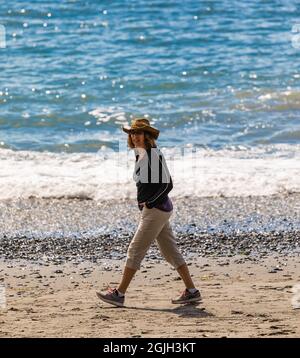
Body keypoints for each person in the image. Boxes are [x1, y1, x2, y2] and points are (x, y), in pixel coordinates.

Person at [96, 118, 201, 307]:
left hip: (157, 211)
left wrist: (150, 203)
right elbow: (147, 185)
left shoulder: (153, 155)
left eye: (138, 133)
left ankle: (119, 294)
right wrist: (143, 203)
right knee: (171, 252)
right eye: (132, 133)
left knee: (135, 250)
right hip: (158, 210)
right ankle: (192, 291)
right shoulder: (141, 154)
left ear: (147, 136)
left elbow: (167, 184)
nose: (135, 136)